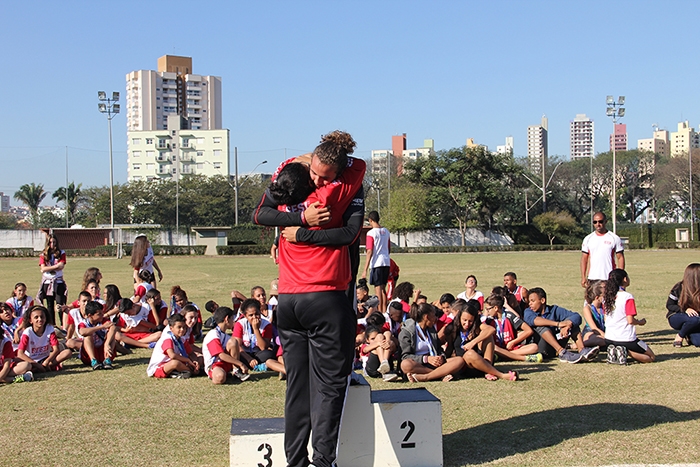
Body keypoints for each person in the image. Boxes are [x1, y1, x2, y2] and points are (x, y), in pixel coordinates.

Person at [252, 130, 365, 467]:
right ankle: (323, 462)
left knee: (297, 388)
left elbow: (261, 213)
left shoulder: (289, 182)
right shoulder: (337, 189)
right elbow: (357, 165)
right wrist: (306, 221)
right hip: (325, 298)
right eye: (314, 172)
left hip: (288, 300)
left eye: (322, 174)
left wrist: (295, 227)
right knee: (330, 387)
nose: (317, 179)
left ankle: (295, 463)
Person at [522, 288, 598, 363]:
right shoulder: (528, 311)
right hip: (540, 348)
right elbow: (533, 320)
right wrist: (558, 324)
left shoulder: (554, 310)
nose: (529, 304)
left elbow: (576, 316)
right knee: (541, 326)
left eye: (532, 301)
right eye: (529, 301)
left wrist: (567, 326)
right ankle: (562, 352)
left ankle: (582, 350)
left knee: (572, 323)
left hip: (556, 342)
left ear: (542, 300)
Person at [451, 299, 520, 381]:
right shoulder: (452, 328)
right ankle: (501, 375)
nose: (467, 324)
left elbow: (491, 330)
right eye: (464, 320)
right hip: (465, 365)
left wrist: (473, 342)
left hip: (481, 362)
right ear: (459, 317)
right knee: (469, 354)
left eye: (470, 321)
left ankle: (488, 371)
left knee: (488, 336)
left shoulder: (476, 327)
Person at [400, 303, 465, 383]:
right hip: (418, 364)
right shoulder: (407, 332)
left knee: (459, 360)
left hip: (435, 363)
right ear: (426, 317)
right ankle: (440, 375)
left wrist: (441, 357)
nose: (436, 318)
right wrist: (426, 359)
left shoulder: (431, 329)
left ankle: (425, 377)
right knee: (405, 364)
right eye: (434, 315)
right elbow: (405, 356)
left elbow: (438, 348)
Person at [603, 269, 655, 364]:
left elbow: (605, 318)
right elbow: (630, 320)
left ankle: (616, 352)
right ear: (625, 279)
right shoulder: (627, 297)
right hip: (626, 339)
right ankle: (625, 351)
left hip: (609, 338)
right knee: (651, 357)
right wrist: (640, 322)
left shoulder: (607, 296)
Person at [482, 294, 542, 363]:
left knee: (534, 347)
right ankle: (524, 358)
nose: (487, 311)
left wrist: (513, 342)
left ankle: (502, 356)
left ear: (495, 308)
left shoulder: (509, 316)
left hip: (512, 348)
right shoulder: (489, 320)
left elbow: (528, 330)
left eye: (488, 309)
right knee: (493, 348)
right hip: (497, 348)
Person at [16, 305, 72, 374]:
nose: (40, 319)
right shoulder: (27, 332)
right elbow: (20, 354)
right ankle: (40, 368)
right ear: (31, 320)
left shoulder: (49, 329)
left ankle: (45, 367)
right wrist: (37, 365)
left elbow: (56, 349)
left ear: (45, 318)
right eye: (36, 317)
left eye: (42, 317)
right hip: (31, 360)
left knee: (67, 352)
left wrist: (47, 361)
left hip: (45, 359)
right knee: (24, 364)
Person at [202, 306, 249, 384]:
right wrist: (240, 363)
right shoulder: (213, 334)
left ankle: (236, 371)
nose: (234, 321)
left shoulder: (226, 336)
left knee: (233, 341)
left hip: (226, 363)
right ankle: (219, 373)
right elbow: (221, 355)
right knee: (220, 378)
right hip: (214, 365)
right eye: (232, 319)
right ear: (227, 319)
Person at [146, 314, 199, 379]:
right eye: (179, 327)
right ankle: (191, 371)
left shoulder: (181, 339)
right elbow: (172, 355)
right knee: (175, 363)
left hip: (176, 363)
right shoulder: (167, 339)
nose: (182, 329)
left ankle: (184, 371)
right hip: (159, 367)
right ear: (171, 328)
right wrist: (187, 360)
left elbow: (191, 353)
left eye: (184, 327)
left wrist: (195, 362)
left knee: (200, 358)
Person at [580, 212, 625, 288]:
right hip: (593, 278)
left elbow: (620, 258)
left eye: (600, 221)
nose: (598, 224)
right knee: (593, 300)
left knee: (610, 300)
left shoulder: (614, 238)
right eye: (595, 222)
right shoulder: (588, 239)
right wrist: (583, 277)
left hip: (610, 278)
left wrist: (620, 277)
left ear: (606, 221)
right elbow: (584, 259)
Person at [232, 298, 275, 372]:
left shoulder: (266, 325)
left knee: (269, 354)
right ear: (245, 316)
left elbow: (263, 347)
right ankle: (257, 366)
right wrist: (249, 358)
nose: (254, 317)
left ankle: (253, 365)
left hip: (258, 353)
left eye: (257, 314)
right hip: (244, 353)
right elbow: (237, 346)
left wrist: (256, 329)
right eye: (251, 315)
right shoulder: (240, 324)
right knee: (234, 355)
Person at [362, 210, 391, 314]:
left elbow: (369, 250)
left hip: (376, 263)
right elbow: (389, 248)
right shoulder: (386, 231)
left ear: (370, 220)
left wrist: (364, 269)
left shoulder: (371, 233)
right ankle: (384, 311)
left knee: (377, 289)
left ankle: (380, 311)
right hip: (386, 262)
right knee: (383, 288)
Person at [666, 263, 700, 347]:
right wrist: (685, 309)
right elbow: (669, 305)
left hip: (697, 319)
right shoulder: (679, 287)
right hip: (678, 315)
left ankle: (688, 333)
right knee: (695, 319)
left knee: (698, 342)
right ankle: (680, 336)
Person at [37, 234, 67, 326]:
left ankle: (63, 325)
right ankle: (52, 325)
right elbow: (42, 269)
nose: (52, 244)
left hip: (58, 282)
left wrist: (48, 267)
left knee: (60, 304)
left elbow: (61, 266)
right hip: (47, 282)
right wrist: (55, 267)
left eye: (54, 242)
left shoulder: (61, 253)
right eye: (50, 242)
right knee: (49, 305)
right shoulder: (43, 254)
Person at [78, 300, 117, 370]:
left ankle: (107, 360)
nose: (102, 315)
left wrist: (107, 344)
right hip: (89, 354)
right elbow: (82, 332)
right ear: (90, 315)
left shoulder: (103, 320)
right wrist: (101, 327)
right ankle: (94, 361)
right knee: (88, 335)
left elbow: (113, 327)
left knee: (112, 337)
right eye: (99, 314)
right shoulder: (84, 323)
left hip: (104, 350)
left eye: (102, 313)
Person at [582, 280, 607, 348]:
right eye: (604, 295)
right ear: (597, 298)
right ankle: (577, 345)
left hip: (602, 333)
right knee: (602, 340)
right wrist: (607, 336)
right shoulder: (588, 308)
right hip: (591, 333)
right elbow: (594, 328)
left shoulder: (604, 307)